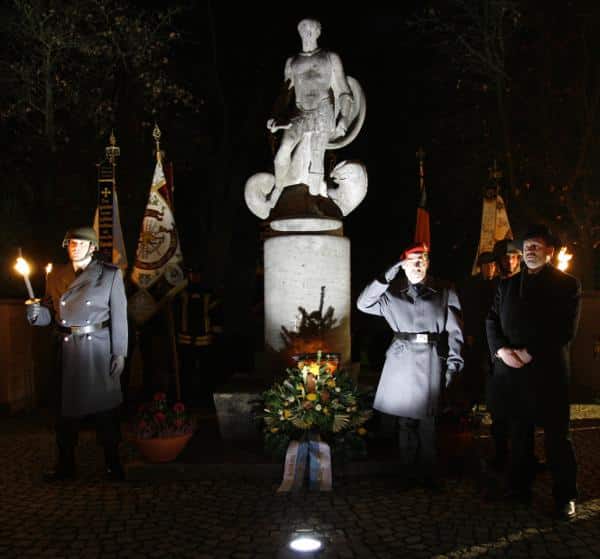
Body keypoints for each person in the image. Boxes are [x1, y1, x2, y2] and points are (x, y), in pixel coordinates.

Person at [486, 224, 581, 519]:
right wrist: (501, 351)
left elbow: (564, 329)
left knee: (557, 438)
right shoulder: (507, 285)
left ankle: (566, 496)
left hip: (549, 373)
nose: (529, 250)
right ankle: (519, 488)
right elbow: (491, 320)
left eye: (536, 246)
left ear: (549, 251)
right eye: (526, 246)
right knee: (520, 434)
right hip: (513, 374)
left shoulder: (567, 285)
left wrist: (529, 353)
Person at [357, 243, 464, 487]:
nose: (417, 265)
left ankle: (430, 473)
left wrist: (454, 363)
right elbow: (363, 304)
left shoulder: (445, 289)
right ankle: (406, 471)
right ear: (402, 264)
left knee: (429, 420)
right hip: (402, 358)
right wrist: (387, 275)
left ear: (428, 262)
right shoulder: (392, 292)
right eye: (411, 260)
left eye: (422, 259)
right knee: (404, 420)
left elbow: (455, 331)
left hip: (431, 357)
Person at [26, 227, 128, 481]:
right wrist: (36, 315)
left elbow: (120, 318)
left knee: (106, 409)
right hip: (66, 347)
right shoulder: (55, 275)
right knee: (65, 411)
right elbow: (51, 315)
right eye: (71, 242)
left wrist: (120, 353)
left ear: (92, 248)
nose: (75, 246)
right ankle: (65, 465)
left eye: (81, 243)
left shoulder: (109, 275)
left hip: (98, 349)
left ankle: (112, 463)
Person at [267, 18, 354, 197]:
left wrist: (344, 117)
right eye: (304, 28)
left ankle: (314, 198)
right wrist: (276, 115)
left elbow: (345, 91)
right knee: (282, 152)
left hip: (323, 110)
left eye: (312, 28)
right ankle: (277, 191)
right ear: (299, 32)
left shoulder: (330, 58)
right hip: (299, 112)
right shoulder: (292, 62)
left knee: (316, 157)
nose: (308, 32)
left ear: (318, 32)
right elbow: (285, 93)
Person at [486, 239, 522, 471]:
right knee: (499, 412)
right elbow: (488, 320)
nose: (509, 261)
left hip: (522, 359)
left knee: (521, 413)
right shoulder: (492, 286)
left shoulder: (526, 284)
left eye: (513, 257)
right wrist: (497, 351)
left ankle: (521, 457)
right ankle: (500, 455)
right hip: (496, 359)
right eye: (505, 257)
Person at [458, 252, 498, 407]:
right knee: (475, 366)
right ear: (480, 267)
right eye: (487, 265)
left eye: (493, 265)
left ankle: (490, 399)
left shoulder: (499, 284)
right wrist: (468, 333)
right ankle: (473, 399)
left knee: (492, 367)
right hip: (477, 332)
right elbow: (468, 311)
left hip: (494, 334)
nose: (490, 268)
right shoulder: (472, 285)